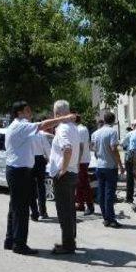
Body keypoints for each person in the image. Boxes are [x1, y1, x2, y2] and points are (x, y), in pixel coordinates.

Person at [4, 101, 74, 256]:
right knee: (21, 210)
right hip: (19, 172)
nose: (30, 113)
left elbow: (41, 132)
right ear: (19, 113)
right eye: (27, 110)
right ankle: (19, 244)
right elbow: (42, 125)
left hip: (16, 171)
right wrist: (64, 118)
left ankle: (10, 240)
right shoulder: (21, 125)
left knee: (14, 208)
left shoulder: (17, 126)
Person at [49, 100, 81, 254]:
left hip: (66, 173)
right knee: (70, 209)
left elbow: (67, 149)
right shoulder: (74, 128)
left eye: (55, 114)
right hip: (73, 171)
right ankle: (70, 239)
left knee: (64, 210)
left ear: (58, 114)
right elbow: (78, 148)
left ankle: (68, 244)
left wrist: (62, 169)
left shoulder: (61, 129)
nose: (54, 116)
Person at [91, 112, 124, 228]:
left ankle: (105, 217)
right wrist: (120, 164)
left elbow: (94, 149)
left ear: (104, 120)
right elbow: (113, 148)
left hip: (99, 165)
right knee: (109, 193)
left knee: (101, 192)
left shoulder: (95, 133)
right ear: (114, 120)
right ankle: (111, 219)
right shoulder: (112, 132)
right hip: (110, 166)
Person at [75, 115, 95, 215]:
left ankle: (90, 206)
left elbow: (81, 147)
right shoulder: (83, 129)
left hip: (81, 160)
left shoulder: (79, 130)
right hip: (83, 159)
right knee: (79, 184)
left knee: (84, 184)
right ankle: (80, 204)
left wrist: (77, 162)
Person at [30, 128, 51, 221]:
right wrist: (50, 160)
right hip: (40, 160)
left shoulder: (27, 133)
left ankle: (34, 213)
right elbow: (47, 148)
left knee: (31, 188)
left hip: (29, 159)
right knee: (41, 187)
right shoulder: (41, 133)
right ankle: (43, 212)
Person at [121, 124, 136, 203]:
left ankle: (129, 198)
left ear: (133, 126)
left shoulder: (129, 134)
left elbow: (122, 144)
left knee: (130, 178)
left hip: (130, 158)